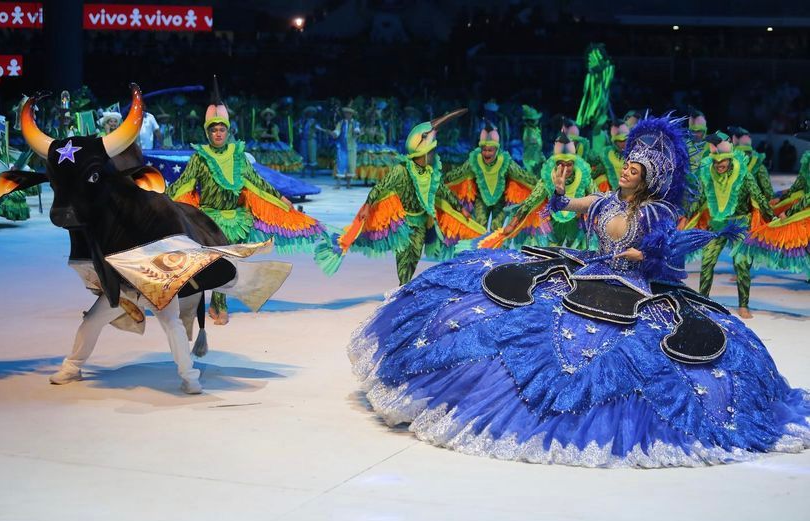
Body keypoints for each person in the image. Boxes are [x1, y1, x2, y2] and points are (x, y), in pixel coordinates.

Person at [347, 115, 810, 467]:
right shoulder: (608, 198)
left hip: (631, 289)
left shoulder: (656, 215)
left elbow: (659, 259)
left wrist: (640, 256)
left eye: (634, 167)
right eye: (626, 164)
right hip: (590, 272)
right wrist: (559, 192)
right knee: (497, 296)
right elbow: (567, 208)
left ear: (649, 176)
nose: (626, 170)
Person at [168, 97, 324, 325]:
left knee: (227, 263)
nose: (218, 134)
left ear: (228, 132)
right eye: (214, 131)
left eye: (222, 130)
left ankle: (217, 303)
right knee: (216, 262)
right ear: (207, 133)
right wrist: (160, 199)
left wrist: (280, 198)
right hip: (209, 220)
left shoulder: (238, 155)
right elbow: (182, 185)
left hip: (235, 218)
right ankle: (216, 304)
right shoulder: (200, 158)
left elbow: (256, 183)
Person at [315, 109, 485, 284]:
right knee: (404, 256)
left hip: (421, 223)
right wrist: (367, 205)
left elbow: (443, 191)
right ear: (424, 152)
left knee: (415, 255)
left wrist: (460, 208)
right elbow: (381, 187)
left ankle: (405, 285)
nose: (434, 154)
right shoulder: (401, 170)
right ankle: (403, 287)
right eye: (431, 150)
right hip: (403, 224)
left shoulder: (430, 173)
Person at [685, 132, 776, 319]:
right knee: (707, 263)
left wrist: (771, 217)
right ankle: (703, 302)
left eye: (723, 161)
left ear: (730, 157)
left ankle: (744, 305)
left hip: (740, 223)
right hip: (717, 224)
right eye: (716, 162)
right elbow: (701, 198)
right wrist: (686, 214)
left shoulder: (744, 175)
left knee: (741, 264)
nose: (719, 165)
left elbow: (758, 197)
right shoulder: (708, 174)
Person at [444, 122, 539, 232]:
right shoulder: (475, 161)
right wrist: (443, 180)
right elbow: (458, 173)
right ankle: (480, 247)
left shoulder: (505, 162)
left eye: (490, 150)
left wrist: (538, 184)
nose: (487, 153)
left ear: (496, 150)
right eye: (484, 150)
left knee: (497, 228)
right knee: (479, 226)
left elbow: (522, 175)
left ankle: (497, 247)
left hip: (500, 200)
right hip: (481, 199)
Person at [329, 106, 361, 188]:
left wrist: (357, 132)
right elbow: (337, 130)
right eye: (346, 113)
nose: (347, 115)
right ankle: (338, 184)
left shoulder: (355, 123)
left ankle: (348, 184)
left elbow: (357, 131)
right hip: (342, 146)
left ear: (351, 114)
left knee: (351, 164)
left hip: (352, 147)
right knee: (341, 163)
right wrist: (335, 133)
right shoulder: (341, 123)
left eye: (349, 113)